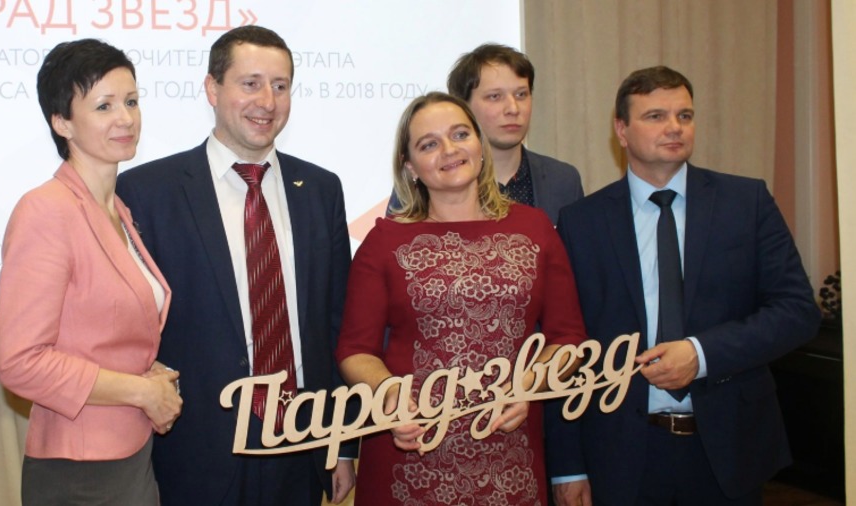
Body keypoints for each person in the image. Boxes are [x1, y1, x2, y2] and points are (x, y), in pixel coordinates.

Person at [547, 66, 822, 506]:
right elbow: (565, 346)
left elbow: (797, 311)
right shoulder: (582, 222)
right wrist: (568, 465)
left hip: (727, 451)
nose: (674, 127)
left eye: (685, 116)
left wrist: (702, 354)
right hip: (620, 454)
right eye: (655, 116)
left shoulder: (746, 203)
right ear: (621, 130)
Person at [116, 26, 355, 506]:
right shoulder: (148, 192)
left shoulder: (321, 189)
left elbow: (336, 324)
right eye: (250, 83)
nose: (267, 101)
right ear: (212, 89)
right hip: (195, 449)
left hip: (302, 439)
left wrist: (342, 442)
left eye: (280, 86)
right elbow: (130, 329)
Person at [337, 92, 587, 505]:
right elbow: (354, 350)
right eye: (428, 144)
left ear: (480, 146)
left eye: (459, 135)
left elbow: (569, 338)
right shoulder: (384, 241)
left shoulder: (535, 228)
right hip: (409, 450)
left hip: (511, 454)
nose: (449, 150)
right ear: (410, 167)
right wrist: (390, 395)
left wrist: (527, 385)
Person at [0, 39, 181, 506]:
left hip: (131, 451)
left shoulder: (116, 209)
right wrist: (141, 391)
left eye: (132, 101)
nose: (126, 118)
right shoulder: (46, 211)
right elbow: (21, 361)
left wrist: (149, 375)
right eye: (104, 106)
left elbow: (100, 335)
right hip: (80, 469)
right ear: (62, 122)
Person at [389, 43, 583, 225]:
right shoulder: (423, 185)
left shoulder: (563, 179)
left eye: (521, 94)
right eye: (495, 97)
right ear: (462, 106)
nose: (513, 109)